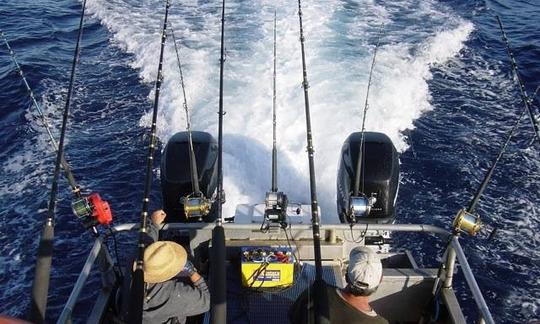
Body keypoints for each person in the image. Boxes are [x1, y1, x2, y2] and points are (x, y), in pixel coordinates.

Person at [120, 210, 210, 324]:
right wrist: (191, 271)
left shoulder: (135, 260)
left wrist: (153, 223)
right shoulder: (172, 293)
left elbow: (146, 243)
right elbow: (207, 302)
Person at [289, 246, 388, 324]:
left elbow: (292, 315)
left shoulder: (318, 291)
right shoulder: (380, 322)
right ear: (380, 280)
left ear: (346, 275)